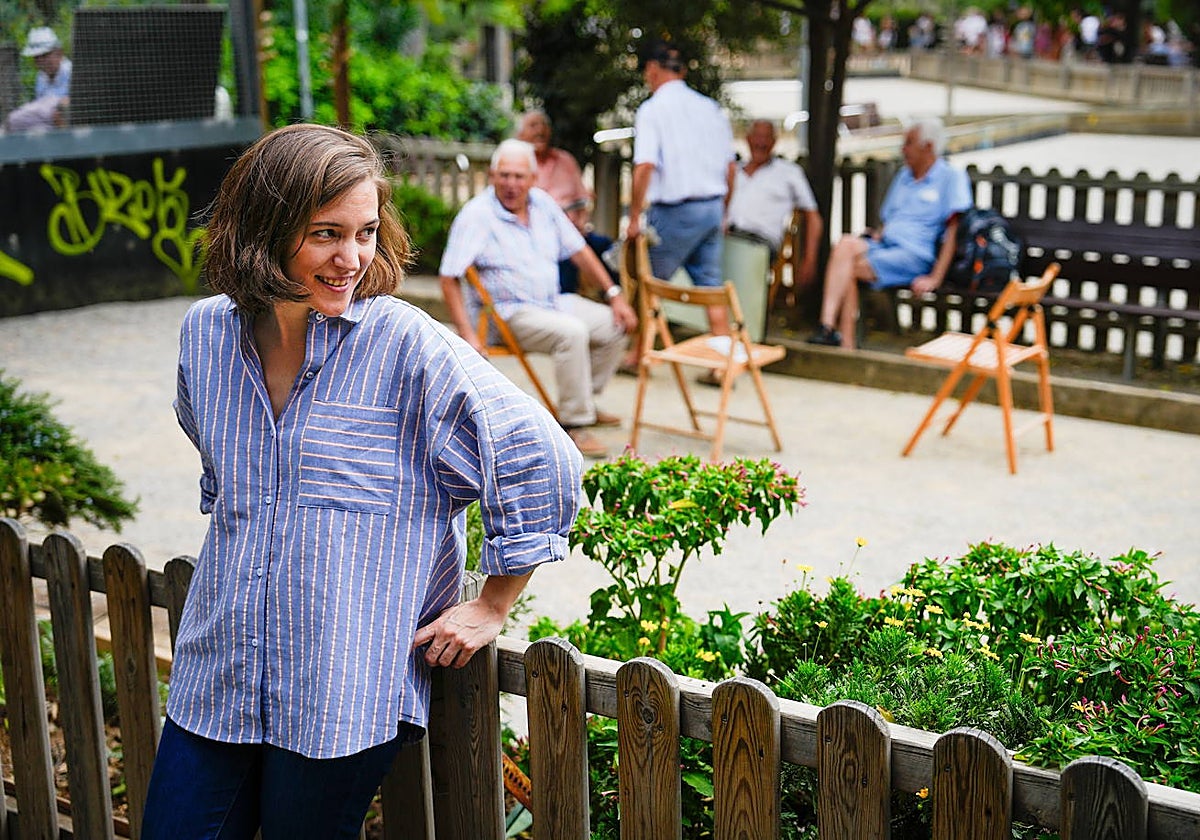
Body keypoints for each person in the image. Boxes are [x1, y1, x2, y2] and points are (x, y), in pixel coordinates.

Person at [139, 124, 584, 839]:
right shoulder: (205, 336)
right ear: (264, 228)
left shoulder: (405, 345)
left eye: (365, 232)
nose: (351, 258)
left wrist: (493, 602)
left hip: (340, 696)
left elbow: (539, 455)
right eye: (325, 234)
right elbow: (220, 471)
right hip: (215, 676)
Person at [439, 138, 637, 459]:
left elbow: (580, 252)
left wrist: (615, 295)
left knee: (615, 325)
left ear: (533, 179)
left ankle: (581, 400)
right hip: (508, 314)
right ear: (492, 176)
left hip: (553, 303)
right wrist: (468, 334)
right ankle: (575, 424)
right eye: (504, 175)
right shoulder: (476, 215)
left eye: (519, 176)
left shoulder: (543, 204)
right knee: (571, 333)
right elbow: (449, 276)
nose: (511, 184)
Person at [808, 117, 972, 349]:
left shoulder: (951, 178)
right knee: (845, 243)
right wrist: (875, 235)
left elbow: (955, 231)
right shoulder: (904, 176)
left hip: (915, 255)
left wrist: (935, 277)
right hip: (886, 245)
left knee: (850, 269)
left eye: (909, 143)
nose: (903, 149)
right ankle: (826, 326)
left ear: (928, 147)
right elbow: (890, 218)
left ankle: (846, 342)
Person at [627, 39, 736, 344]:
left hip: (675, 211)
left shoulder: (652, 109)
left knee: (647, 283)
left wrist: (634, 217)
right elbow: (730, 168)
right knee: (710, 285)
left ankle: (639, 355)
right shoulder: (710, 107)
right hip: (712, 207)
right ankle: (722, 360)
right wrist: (724, 209)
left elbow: (644, 165)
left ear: (652, 69)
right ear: (683, 70)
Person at [515, 109, 616, 295]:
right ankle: (563, 303)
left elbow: (584, 199)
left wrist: (582, 220)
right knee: (566, 256)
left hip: (573, 231)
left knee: (609, 251)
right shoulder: (517, 166)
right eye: (533, 125)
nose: (540, 130)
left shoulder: (565, 160)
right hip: (539, 238)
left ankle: (617, 301)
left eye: (544, 125)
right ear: (520, 135)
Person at [725, 119, 823, 286]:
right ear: (748, 139)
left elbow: (813, 217)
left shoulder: (789, 173)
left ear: (774, 142)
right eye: (757, 136)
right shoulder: (734, 171)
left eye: (766, 137)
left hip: (760, 242)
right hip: (726, 237)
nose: (761, 143)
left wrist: (809, 260)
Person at [3, 26, 72, 133]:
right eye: (36, 57)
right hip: (49, 126)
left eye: (44, 55)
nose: (40, 61)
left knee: (14, 119)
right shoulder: (41, 77)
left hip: (69, 125)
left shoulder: (72, 72)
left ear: (59, 53)